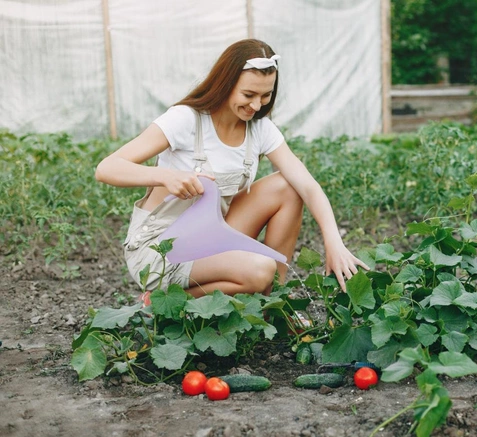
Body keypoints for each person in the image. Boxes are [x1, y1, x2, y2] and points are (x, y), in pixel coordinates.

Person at [95, 39, 368, 300]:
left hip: (208, 236)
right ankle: (159, 303)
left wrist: (334, 243)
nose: (256, 105)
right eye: (248, 94)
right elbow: (107, 168)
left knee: (288, 187)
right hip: (161, 248)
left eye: (265, 95)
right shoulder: (186, 120)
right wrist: (166, 176)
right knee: (261, 269)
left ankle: (273, 305)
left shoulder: (259, 129)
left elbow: (307, 185)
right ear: (225, 84)